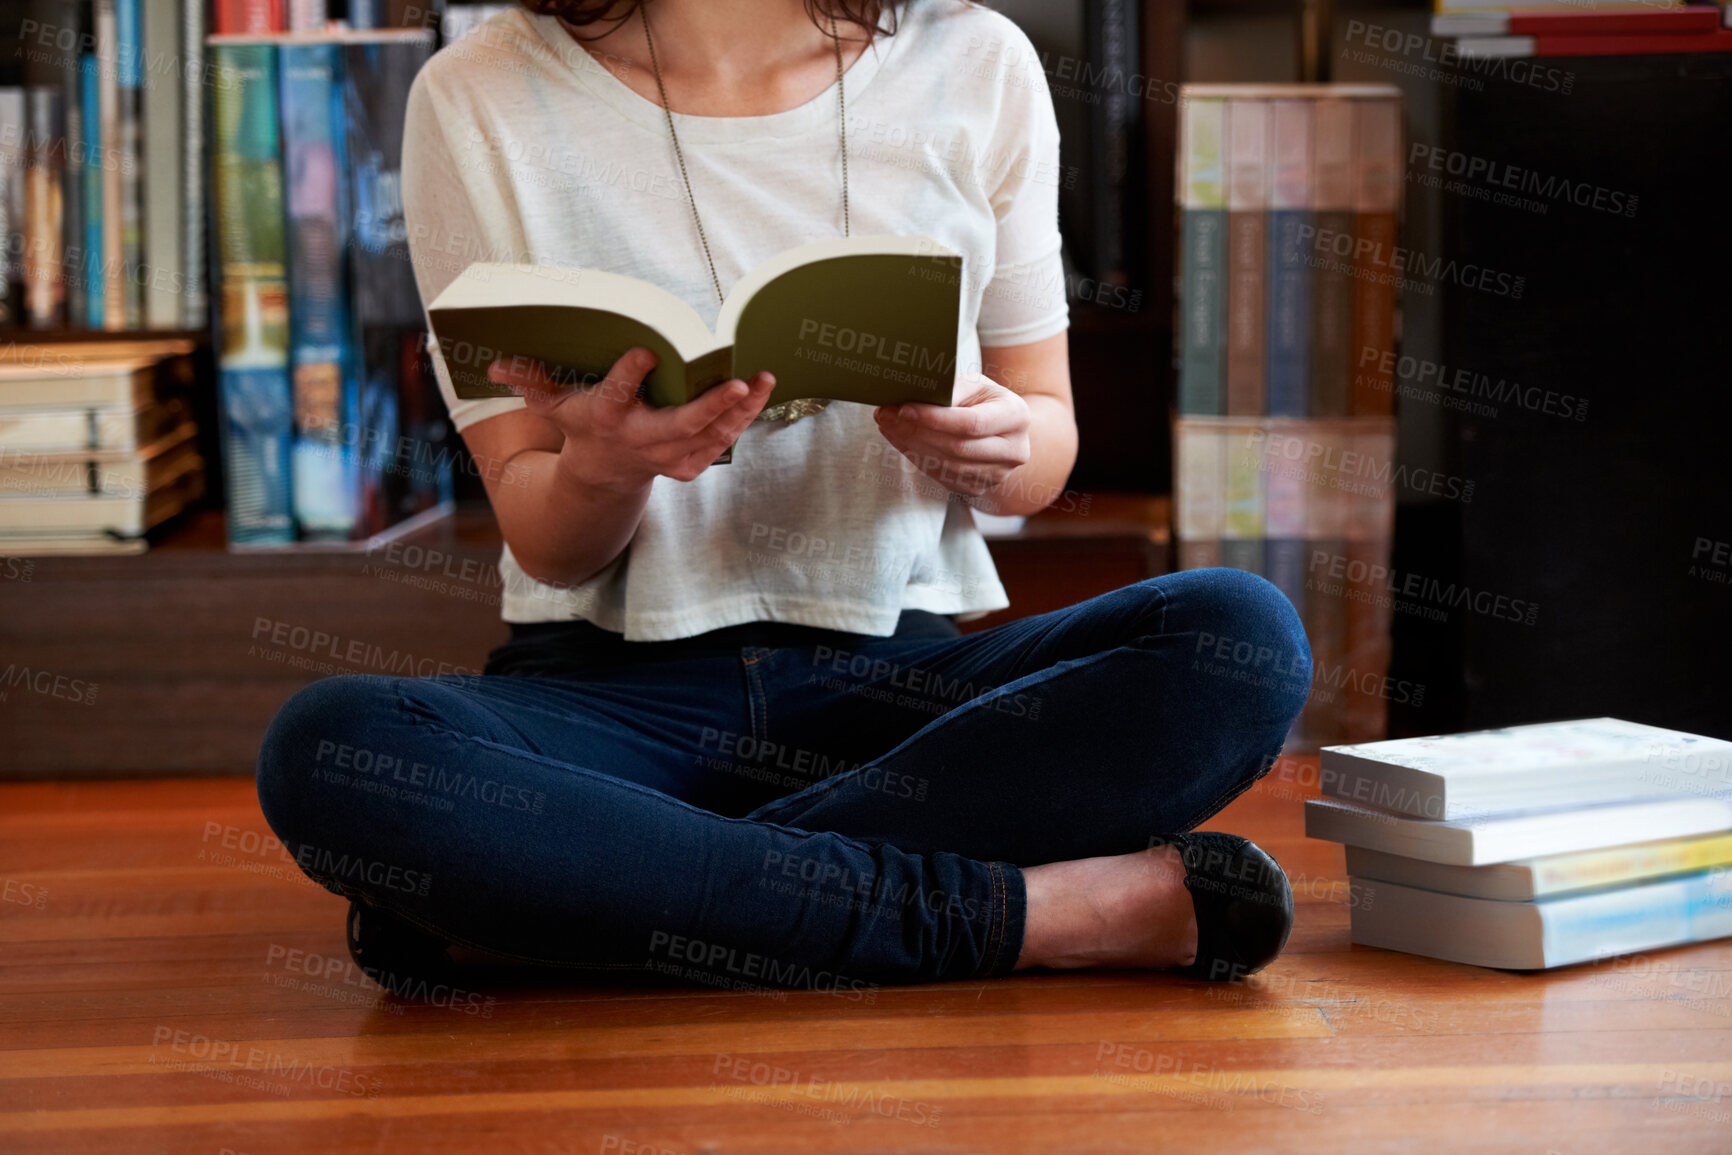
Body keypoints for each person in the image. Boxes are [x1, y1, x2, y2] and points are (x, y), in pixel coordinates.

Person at [256, 0, 1313, 997]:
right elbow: (549, 543)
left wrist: (994, 442)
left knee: (1239, 637)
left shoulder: (977, 61)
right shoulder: (479, 89)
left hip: (905, 698)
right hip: (610, 701)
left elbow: (1045, 440)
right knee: (338, 748)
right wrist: (605, 465)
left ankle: (579, 901)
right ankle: (1028, 918)